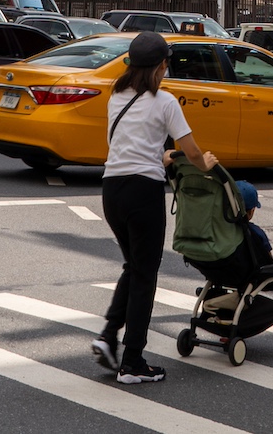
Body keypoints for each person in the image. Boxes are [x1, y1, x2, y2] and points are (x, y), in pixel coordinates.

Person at [92, 31, 221, 386]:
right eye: (166, 64)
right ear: (161, 66)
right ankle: (132, 362)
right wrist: (206, 164)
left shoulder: (116, 96)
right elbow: (192, 152)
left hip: (112, 189)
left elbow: (126, 142)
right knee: (145, 275)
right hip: (142, 192)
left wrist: (158, 156)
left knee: (133, 267)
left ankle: (107, 336)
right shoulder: (165, 102)